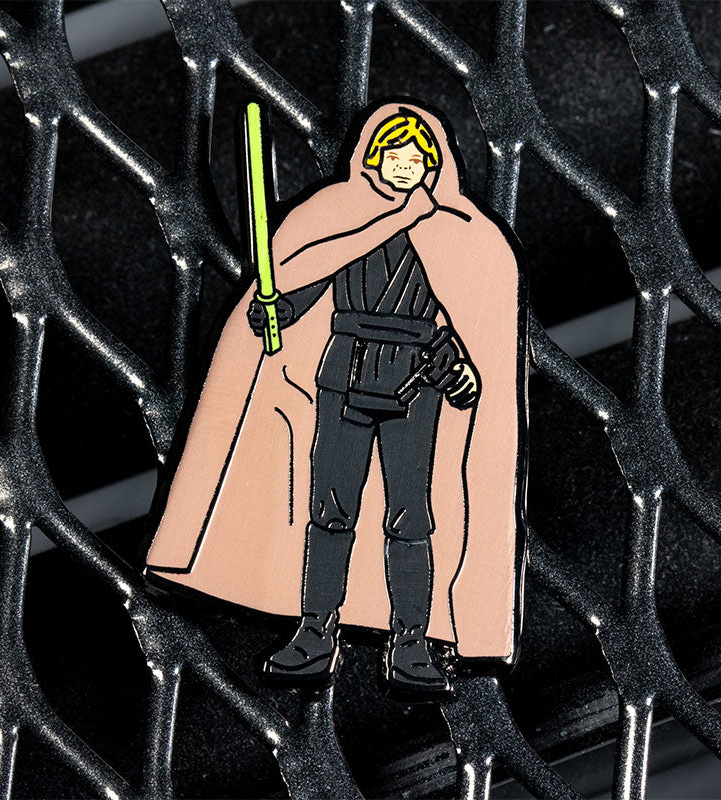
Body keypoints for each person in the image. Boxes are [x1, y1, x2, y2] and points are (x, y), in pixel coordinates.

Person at [144, 99, 527, 695]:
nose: (404, 168)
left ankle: (411, 643)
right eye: (394, 156)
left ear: (432, 166)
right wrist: (278, 309)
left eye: (416, 160)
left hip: (415, 384)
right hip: (344, 376)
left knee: (411, 518)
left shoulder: (458, 231)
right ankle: (316, 632)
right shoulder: (338, 217)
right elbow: (312, 273)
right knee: (330, 510)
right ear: (373, 159)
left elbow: (471, 314)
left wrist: (456, 366)